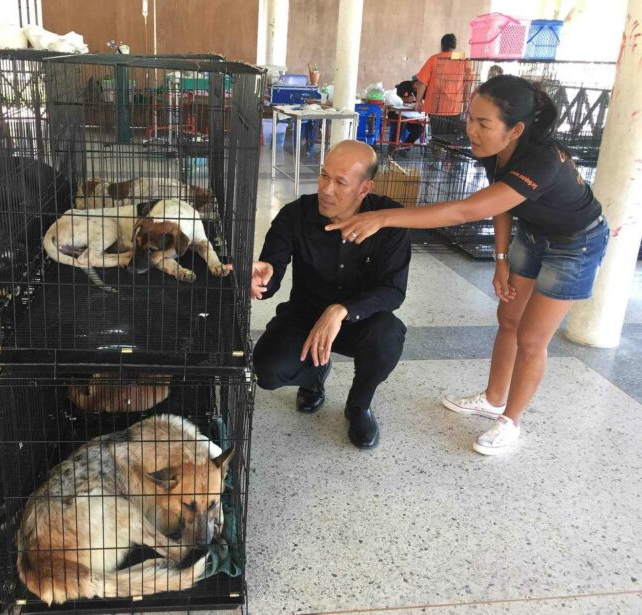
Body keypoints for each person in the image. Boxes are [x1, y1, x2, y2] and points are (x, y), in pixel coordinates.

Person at [327, 75, 610, 456]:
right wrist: (501, 259)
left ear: (516, 130)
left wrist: (383, 218)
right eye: (471, 119)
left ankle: (511, 420)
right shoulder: (498, 152)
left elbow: (467, 209)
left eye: (483, 123)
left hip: (576, 244)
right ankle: (494, 397)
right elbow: (502, 206)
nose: (471, 130)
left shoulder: (541, 160)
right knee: (508, 319)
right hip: (533, 235)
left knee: (530, 338)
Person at [251, 140, 410, 449]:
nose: (326, 189)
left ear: (365, 188)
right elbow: (272, 271)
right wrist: (262, 276)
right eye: (324, 176)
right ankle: (314, 377)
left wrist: (342, 310)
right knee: (267, 370)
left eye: (340, 182)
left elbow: (393, 291)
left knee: (388, 336)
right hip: (305, 317)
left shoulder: (389, 220)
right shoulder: (295, 215)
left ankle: (358, 405)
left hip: (361, 321)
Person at [414, 33, 473, 142]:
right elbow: (468, 83)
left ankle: (436, 157)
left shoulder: (434, 58)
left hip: (436, 107)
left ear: (442, 45)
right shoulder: (462, 58)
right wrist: (466, 103)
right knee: (451, 139)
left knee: (437, 138)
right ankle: (449, 158)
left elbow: (422, 82)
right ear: (455, 45)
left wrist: (418, 101)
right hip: (455, 107)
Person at [387, 80, 424, 145]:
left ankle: (404, 148)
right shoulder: (405, 85)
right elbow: (396, 98)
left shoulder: (420, 91)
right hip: (395, 112)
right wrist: (406, 99)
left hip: (409, 115)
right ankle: (392, 147)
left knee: (419, 129)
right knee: (401, 123)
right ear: (416, 83)